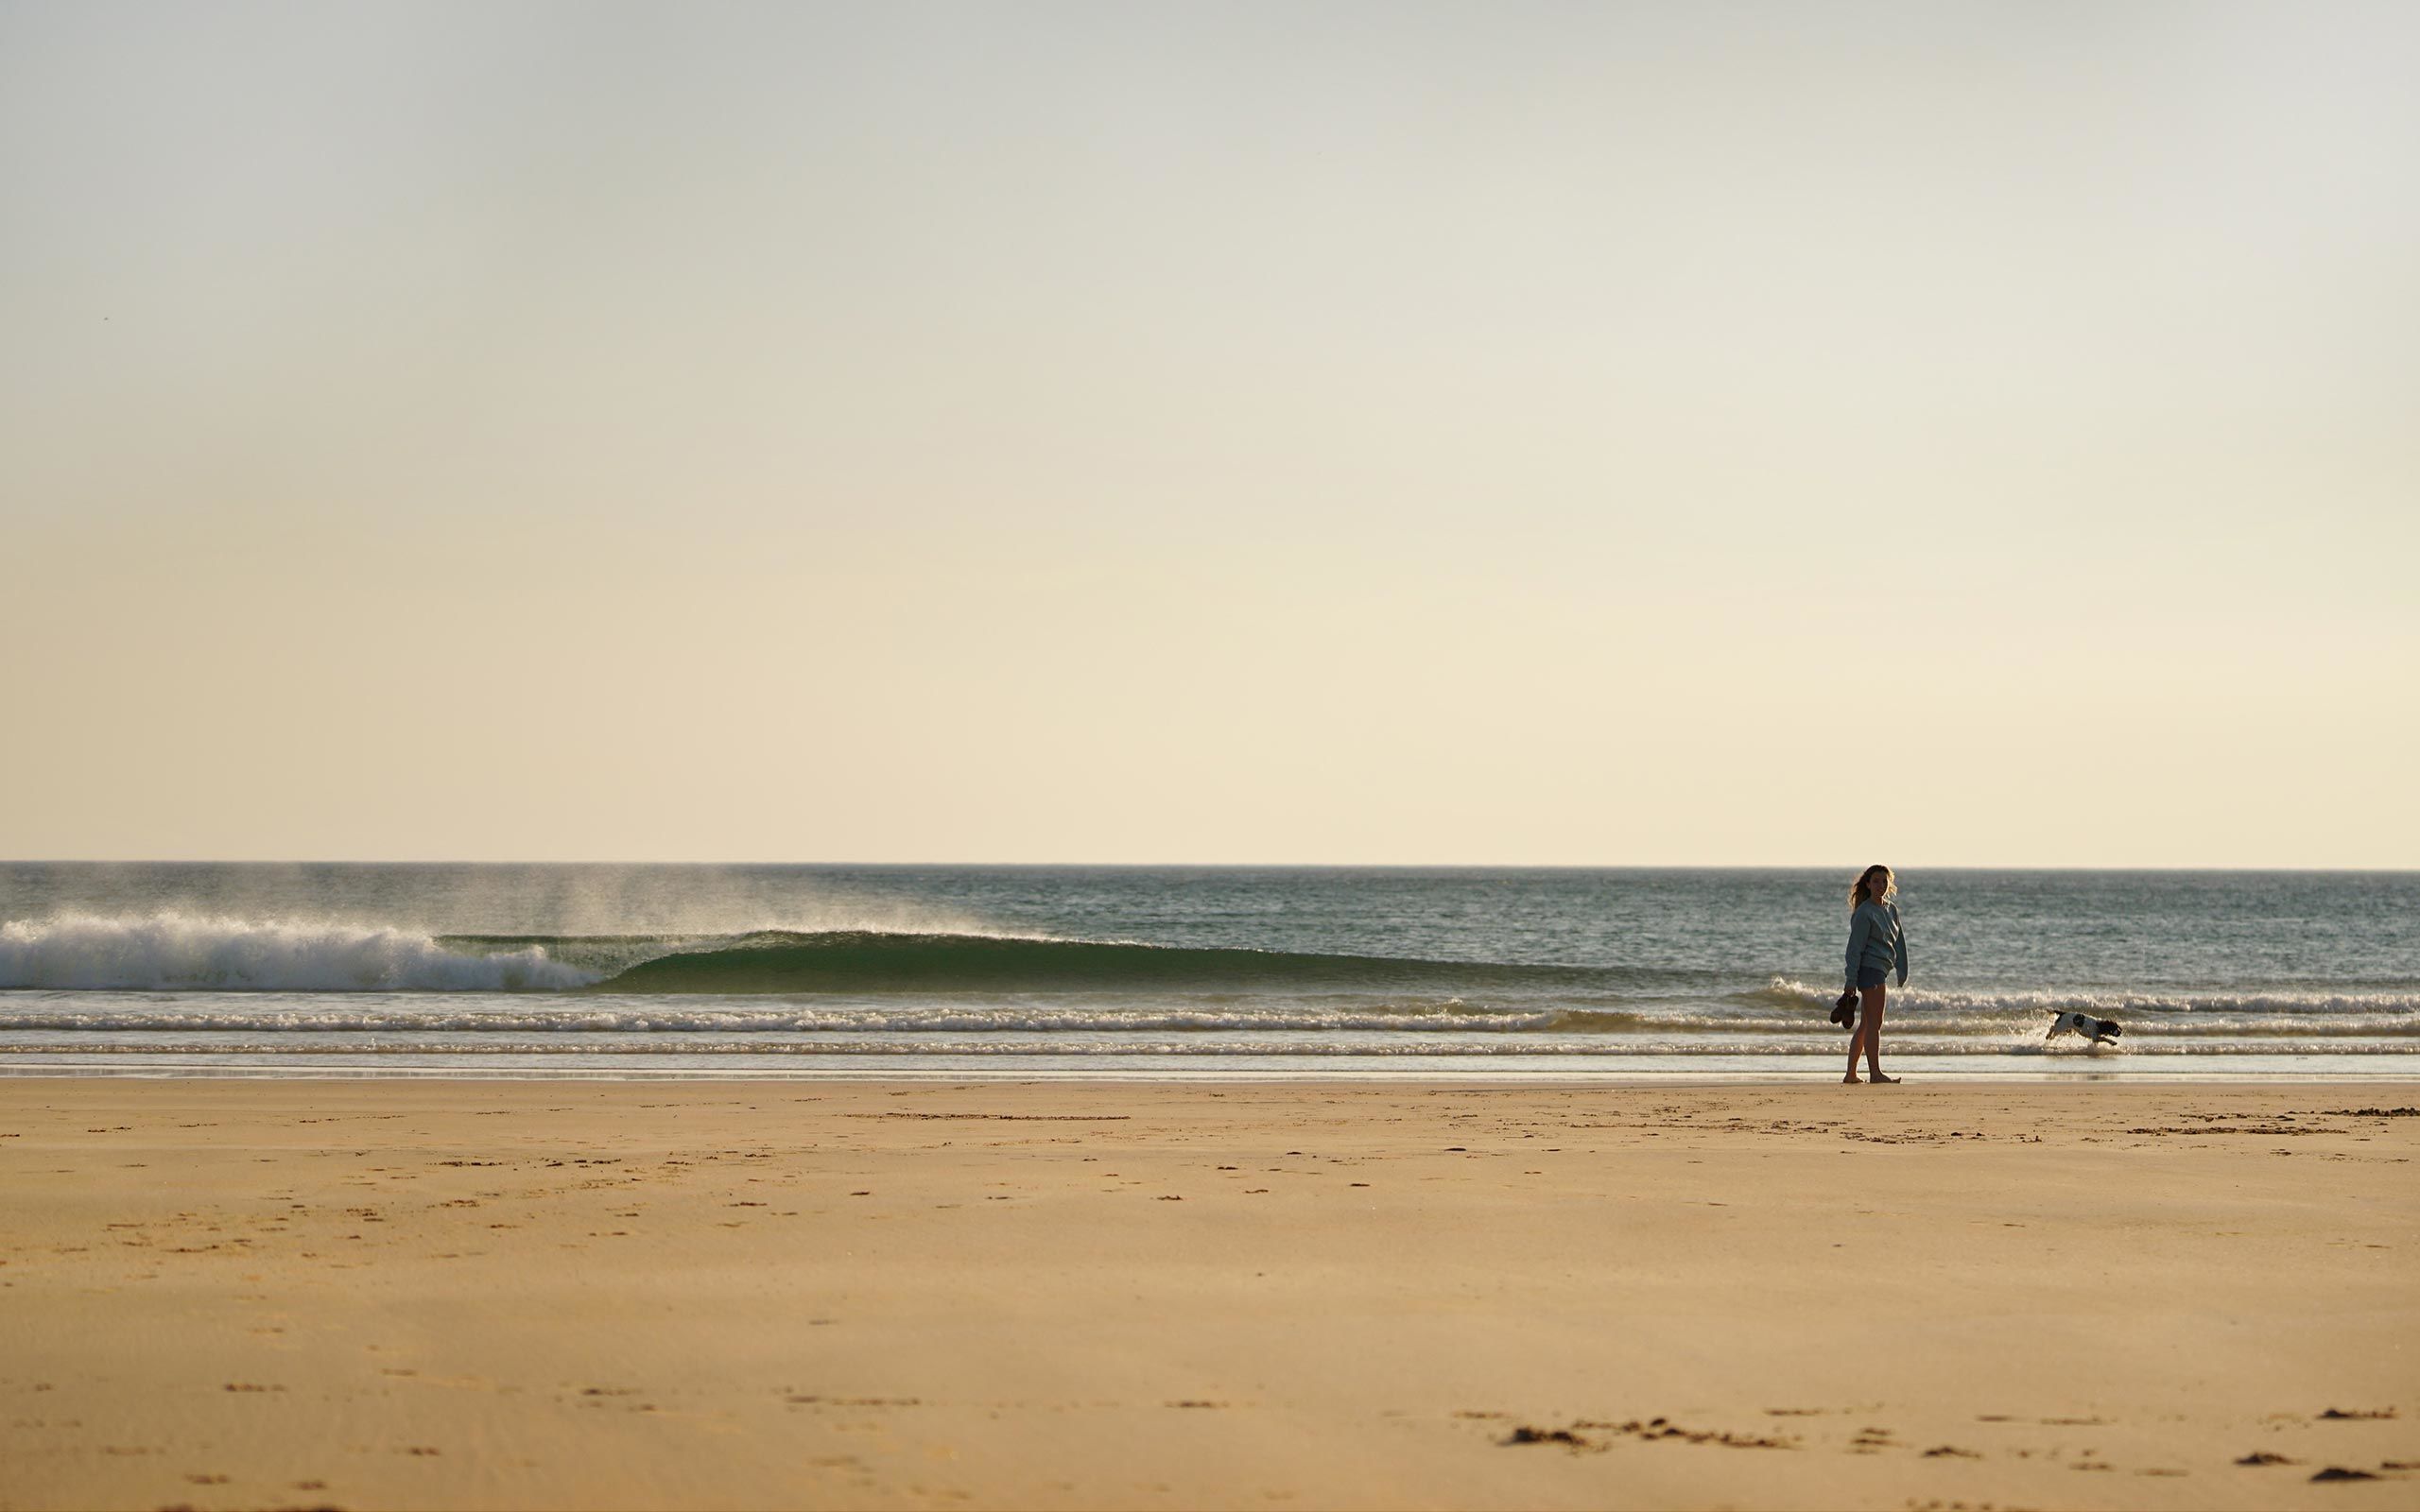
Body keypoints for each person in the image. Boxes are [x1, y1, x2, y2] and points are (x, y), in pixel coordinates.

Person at [1842, 864, 1910, 1084]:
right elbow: (1854, 949)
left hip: (1882, 969)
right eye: (1876, 881)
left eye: (1884, 881)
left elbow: (1899, 941)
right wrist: (1851, 980)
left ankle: (1851, 1074)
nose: (1881, 885)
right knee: (1874, 1024)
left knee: (1867, 1023)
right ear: (1868, 884)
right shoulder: (1864, 913)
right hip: (1869, 970)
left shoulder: (1890, 909)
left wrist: (1902, 968)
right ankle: (1875, 1073)